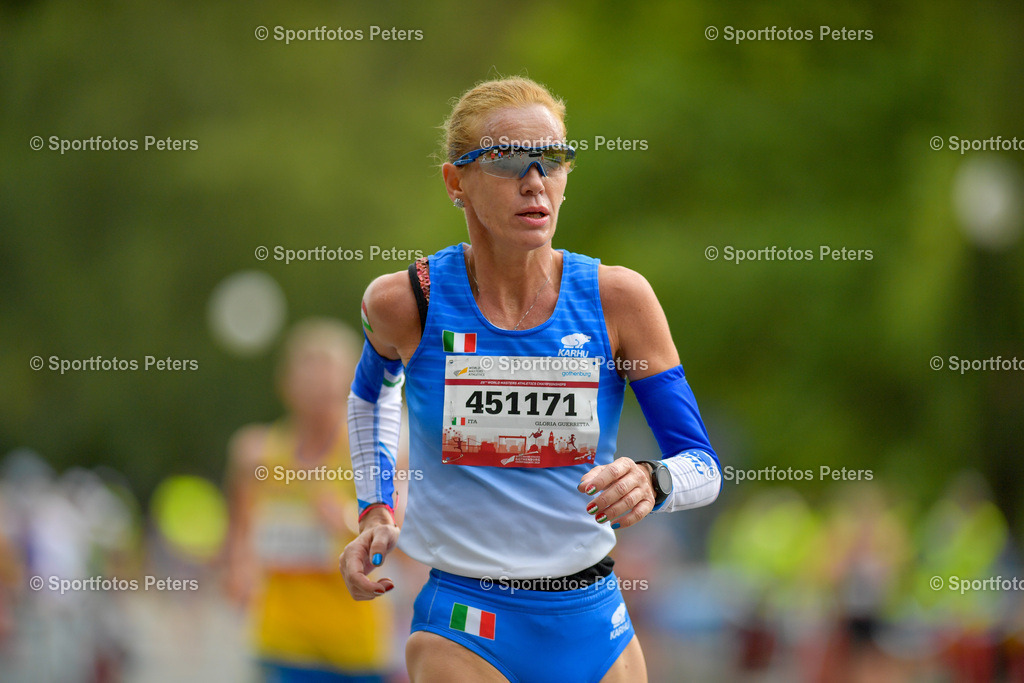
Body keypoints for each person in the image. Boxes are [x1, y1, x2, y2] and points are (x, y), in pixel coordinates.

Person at [341, 76, 723, 682]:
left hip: (594, 621)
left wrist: (654, 480)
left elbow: (703, 466)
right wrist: (375, 509)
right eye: (508, 161)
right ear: (455, 183)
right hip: (466, 621)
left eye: (553, 160)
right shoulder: (406, 301)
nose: (535, 180)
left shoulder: (618, 299)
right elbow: (371, 396)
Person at [226, 319, 393, 682]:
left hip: (353, 644)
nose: (319, 389)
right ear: (286, 384)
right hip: (280, 640)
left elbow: (404, 537)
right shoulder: (255, 454)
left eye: (329, 380)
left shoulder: (375, 453)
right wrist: (237, 569)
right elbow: (239, 535)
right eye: (309, 376)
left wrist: (349, 520)